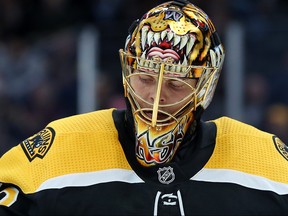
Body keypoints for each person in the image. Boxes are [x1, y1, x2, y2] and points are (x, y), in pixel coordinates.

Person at [0, 0, 288, 215]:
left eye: (175, 84)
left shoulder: (264, 163)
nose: (155, 96)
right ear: (127, 73)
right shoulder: (62, 148)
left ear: (206, 87)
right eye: (146, 78)